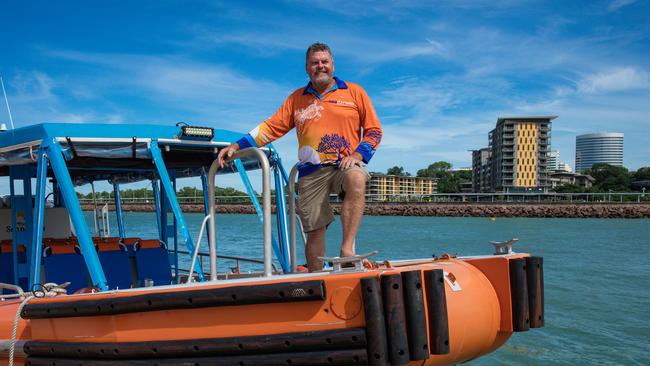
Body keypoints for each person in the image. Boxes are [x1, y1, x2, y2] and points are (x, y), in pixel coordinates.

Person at [217, 42, 382, 271]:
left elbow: (374, 131)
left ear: (332, 65)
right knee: (314, 231)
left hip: (344, 165)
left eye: (324, 62)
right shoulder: (297, 98)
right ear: (307, 68)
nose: (320, 66)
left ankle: (347, 250)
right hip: (311, 172)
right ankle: (315, 280)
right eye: (315, 63)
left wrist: (357, 154)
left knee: (357, 178)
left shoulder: (354, 92)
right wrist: (237, 145)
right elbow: (271, 127)